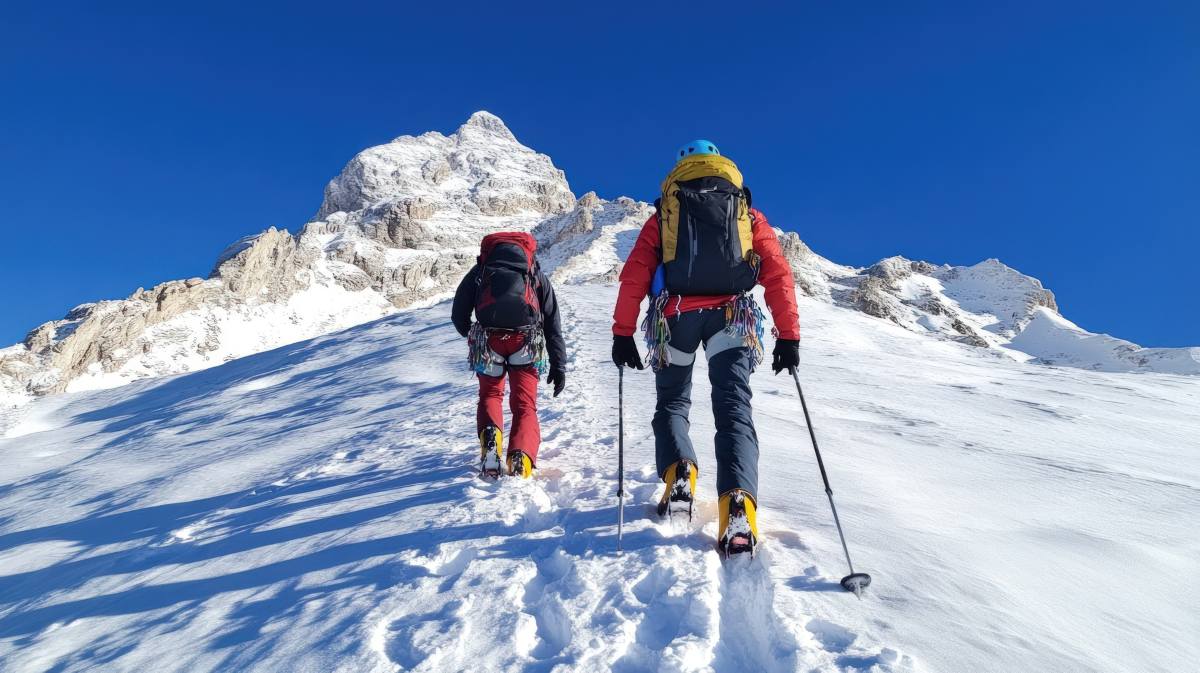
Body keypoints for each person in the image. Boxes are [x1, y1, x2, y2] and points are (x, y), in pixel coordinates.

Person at [611, 140, 800, 556]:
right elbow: (777, 273)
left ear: (679, 168)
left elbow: (635, 275)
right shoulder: (745, 211)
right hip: (733, 317)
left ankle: (680, 471)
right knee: (734, 408)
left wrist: (623, 332)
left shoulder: (665, 213)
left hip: (674, 318)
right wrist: (788, 335)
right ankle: (738, 504)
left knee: (673, 403)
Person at [453, 232, 566, 479]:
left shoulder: (480, 271)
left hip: (488, 340)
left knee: (491, 394)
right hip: (526, 342)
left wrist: (472, 333)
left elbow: (458, 314)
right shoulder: (534, 274)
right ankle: (520, 457)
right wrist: (559, 365)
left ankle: (491, 441)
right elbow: (552, 324)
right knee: (525, 404)